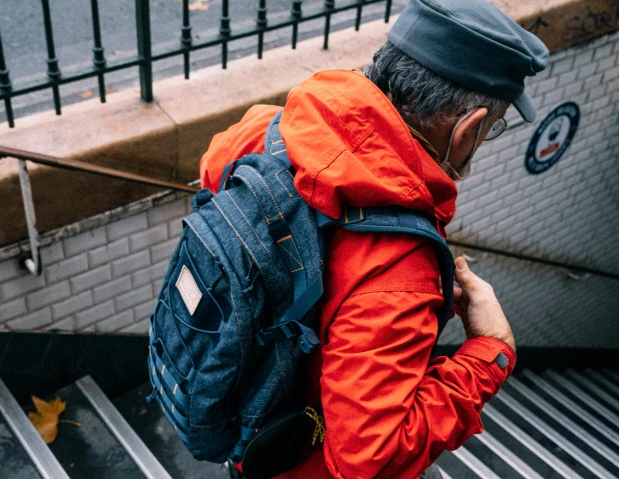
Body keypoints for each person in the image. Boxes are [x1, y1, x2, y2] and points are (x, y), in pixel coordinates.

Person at [200, 0, 549, 477]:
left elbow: (212, 175)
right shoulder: (400, 271)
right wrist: (490, 350)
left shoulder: (270, 129)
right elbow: (368, 461)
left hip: (240, 417)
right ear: (466, 130)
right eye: (492, 129)